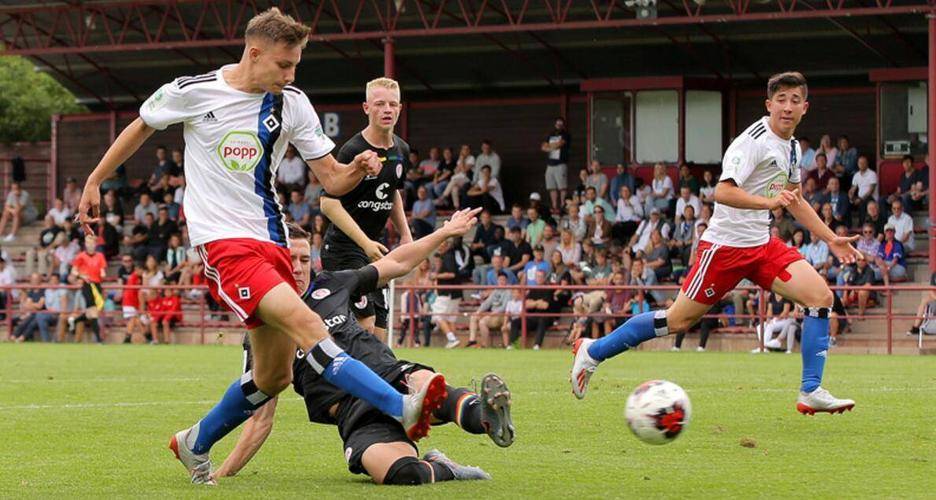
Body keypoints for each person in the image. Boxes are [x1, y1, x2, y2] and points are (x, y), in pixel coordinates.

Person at [77, 8, 445, 485]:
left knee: (274, 377)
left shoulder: (292, 103)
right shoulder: (193, 91)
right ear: (254, 54)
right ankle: (400, 405)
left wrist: (358, 169)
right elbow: (142, 125)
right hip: (224, 244)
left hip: (272, 241)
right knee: (310, 326)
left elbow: (332, 178)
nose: (291, 75)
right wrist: (95, 180)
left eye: (296, 65)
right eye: (283, 65)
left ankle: (194, 442)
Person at [572, 72, 857, 415]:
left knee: (821, 297)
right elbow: (723, 191)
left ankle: (811, 390)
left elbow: (795, 200)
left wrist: (831, 238)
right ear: (769, 105)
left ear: (804, 108)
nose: (787, 107)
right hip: (724, 248)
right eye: (781, 100)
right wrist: (768, 203)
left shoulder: (793, 148)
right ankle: (593, 351)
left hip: (762, 246)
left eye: (795, 100)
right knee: (677, 321)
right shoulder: (752, 141)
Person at [214, 214, 512, 485]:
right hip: (353, 413)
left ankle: (482, 414)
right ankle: (445, 467)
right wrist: (220, 474)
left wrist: (444, 232)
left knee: (428, 388)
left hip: (389, 374)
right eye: (290, 259)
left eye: (304, 259)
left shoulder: (332, 284)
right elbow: (261, 418)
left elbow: (397, 263)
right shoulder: (263, 332)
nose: (298, 268)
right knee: (404, 473)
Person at [319, 78, 413, 340]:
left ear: (400, 108)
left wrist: (405, 234)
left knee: (380, 334)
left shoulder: (402, 149)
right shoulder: (354, 149)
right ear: (366, 108)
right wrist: (365, 243)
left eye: (392, 104)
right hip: (344, 249)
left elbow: (392, 191)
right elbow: (328, 203)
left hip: (375, 249)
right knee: (364, 324)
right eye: (380, 104)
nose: (387, 110)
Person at [69, 234, 107, 344]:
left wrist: (103, 273)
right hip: (87, 285)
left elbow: (102, 269)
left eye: (92, 242)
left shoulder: (100, 256)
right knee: (93, 311)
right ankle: (99, 340)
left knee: (95, 311)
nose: (90, 245)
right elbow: (73, 271)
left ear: (95, 244)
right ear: (85, 244)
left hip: (97, 285)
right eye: (88, 242)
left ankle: (75, 320)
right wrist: (81, 275)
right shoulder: (81, 256)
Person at [467, 272, 512, 348]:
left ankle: (484, 345)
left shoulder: (508, 292)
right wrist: (479, 311)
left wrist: (493, 313)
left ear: (506, 281)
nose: (501, 282)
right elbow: (487, 303)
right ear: (497, 281)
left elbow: (504, 307)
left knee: (482, 322)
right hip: (492, 314)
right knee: (474, 316)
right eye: (500, 280)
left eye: (503, 280)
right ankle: (472, 341)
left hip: (502, 316)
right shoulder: (495, 291)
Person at [542, 117, 571, 211]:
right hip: (550, 164)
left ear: (563, 125)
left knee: (562, 186)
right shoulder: (550, 134)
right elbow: (543, 146)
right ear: (555, 124)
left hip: (560, 163)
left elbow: (560, 144)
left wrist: (549, 146)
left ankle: (563, 205)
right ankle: (554, 206)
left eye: (561, 124)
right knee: (551, 187)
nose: (559, 125)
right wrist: (552, 146)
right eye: (557, 123)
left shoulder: (566, 134)